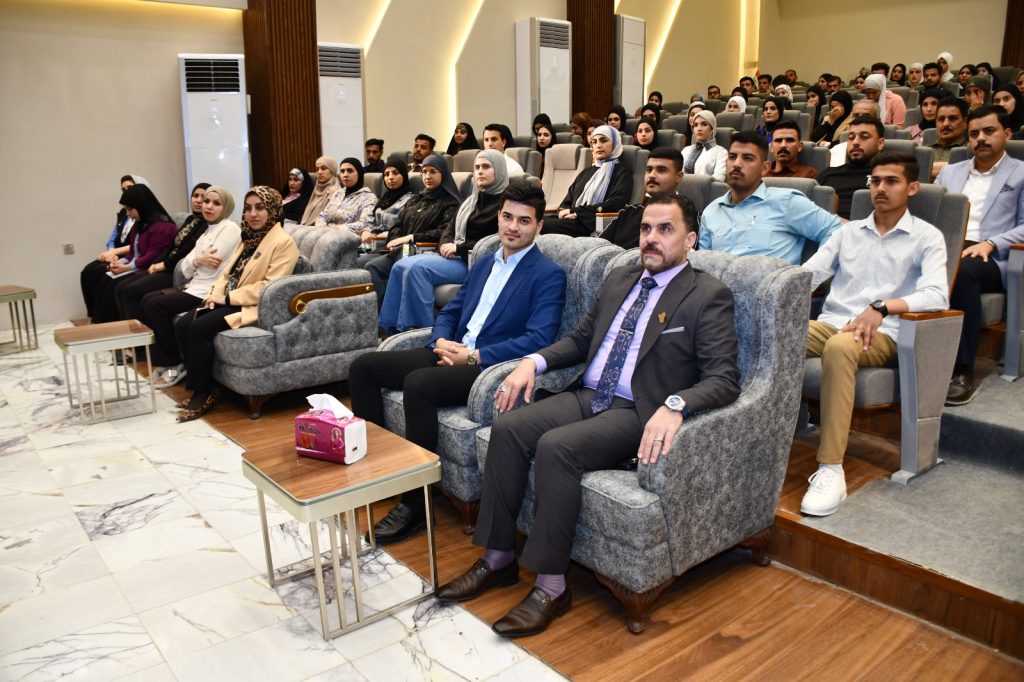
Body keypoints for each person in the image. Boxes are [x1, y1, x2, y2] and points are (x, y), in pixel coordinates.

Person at [436, 192, 741, 638]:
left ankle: (552, 587)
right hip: (589, 393)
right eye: (646, 228)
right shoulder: (621, 277)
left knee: (557, 447)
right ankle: (498, 558)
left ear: (690, 240)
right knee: (509, 427)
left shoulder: (707, 294)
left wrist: (676, 405)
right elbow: (581, 340)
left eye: (665, 229)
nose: (651, 238)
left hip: (638, 408)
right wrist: (533, 362)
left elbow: (725, 378)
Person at [351, 179, 567, 544]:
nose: (513, 227)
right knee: (364, 367)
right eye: (508, 217)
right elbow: (451, 310)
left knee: (419, 384)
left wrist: (474, 356)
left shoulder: (548, 275)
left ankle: (416, 506)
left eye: (524, 220)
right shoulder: (484, 263)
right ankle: (378, 472)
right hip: (451, 349)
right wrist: (440, 340)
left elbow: (538, 339)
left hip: (485, 366)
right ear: (499, 217)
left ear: (539, 226)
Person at [800, 151, 949, 516]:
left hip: (885, 334)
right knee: (774, 331)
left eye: (891, 181)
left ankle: (831, 468)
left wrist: (882, 307)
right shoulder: (847, 233)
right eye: (876, 181)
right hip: (833, 322)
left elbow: (937, 296)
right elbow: (808, 275)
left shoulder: (927, 237)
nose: (880, 188)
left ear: (912, 188)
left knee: (840, 347)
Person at [173, 186, 299, 422]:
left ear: (272, 210)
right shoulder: (248, 237)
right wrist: (214, 294)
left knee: (199, 328)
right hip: (228, 299)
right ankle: (203, 385)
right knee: (182, 325)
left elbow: (270, 287)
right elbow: (226, 274)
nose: (253, 214)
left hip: (251, 305)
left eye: (260, 208)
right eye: (248, 208)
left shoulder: (283, 242)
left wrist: (228, 298)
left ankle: (203, 393)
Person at [937, 106, 1024, 405]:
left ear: (1007, 133)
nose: (981, 139)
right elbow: (934, 215)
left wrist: (991, 243)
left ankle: (962, 370)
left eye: (989, 131)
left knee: (963, 270)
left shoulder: (1021, 172)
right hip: (947, 247)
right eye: (974, 134)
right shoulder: (950, 172)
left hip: (994, 256)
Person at [378, 149, 509, 334]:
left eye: (486, 167)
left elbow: (495, 242)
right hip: (455, 257)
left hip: (476, 262)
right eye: (477, 167)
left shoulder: (506, 205)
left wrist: (458, 247)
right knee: (400, 265)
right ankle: (390, 330)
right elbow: (449, 230)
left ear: (500, 169)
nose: (480, 171)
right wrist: (446, 245)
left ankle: (423, 332)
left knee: (417, 269)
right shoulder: (470, 201)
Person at [139, 186, 241, 388]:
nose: (208, 206)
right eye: (206, 201)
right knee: (146, 300)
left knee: (154, 306)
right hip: (193, 286)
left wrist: (195, 261)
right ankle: (166, 360)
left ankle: (172, 364)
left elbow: (212, 262)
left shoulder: (230, 229)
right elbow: (184, 268)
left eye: (216, 203)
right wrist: (198, 260)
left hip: (208, 291)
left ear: (226, 207)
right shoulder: (206, 231)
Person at [699, 131, 840, 264]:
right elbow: (703, 264)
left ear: (765, 168)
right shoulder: (711, 211)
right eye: (732, 157)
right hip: (718, 281)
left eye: (747, 158)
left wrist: (813, 273)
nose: (736, 164)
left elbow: (835, 230)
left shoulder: (787, 202)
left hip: (771, 281)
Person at [360, 155, 461, 305]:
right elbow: (397, 224)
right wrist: (396, 240)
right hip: (401, 249)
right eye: (424, 172)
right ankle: (377, 314)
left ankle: (390, 314)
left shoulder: (451, 202)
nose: (427, 176)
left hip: (421, 251)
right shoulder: (416, 199)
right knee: (365, 264)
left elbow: (444, 232)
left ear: (444, 174)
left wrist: (411, 237)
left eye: (433, 172)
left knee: (382, 266)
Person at [114, 182, 213, 324]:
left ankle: (141, 336)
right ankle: (129, 333)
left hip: (177, 271)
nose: (198, 200)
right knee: (121, 287)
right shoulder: (191, 219)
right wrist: (155, 264)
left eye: (203, 197)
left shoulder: (207, 225)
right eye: (195, 195)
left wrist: (163, 265)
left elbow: (186, 251)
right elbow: (172, 246)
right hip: (166, 267)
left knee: (131, 291)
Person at [88, 184, 179, 324]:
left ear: (141, 206)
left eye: (130, 209)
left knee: (122, 288)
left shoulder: (163, 226)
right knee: (105, 278)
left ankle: (133, 331)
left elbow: (153, 255)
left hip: (152, 268)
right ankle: (107, 325)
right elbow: (134, 252)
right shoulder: (140, 223)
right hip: (139, 265)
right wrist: (119, 263)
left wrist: (127, 267)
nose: (128, 213)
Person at [541, 125, 633, 238]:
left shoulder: (622, 173)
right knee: (535, 220)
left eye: (603, 140)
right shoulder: (586, 172)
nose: (598, 145)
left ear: (615, 144)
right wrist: (564, 212)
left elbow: (615, 204)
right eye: (594, 142)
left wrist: (576, 212)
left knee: (539, 226)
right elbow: (567, 200)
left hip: (591, 223)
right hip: (571, 220)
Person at [80, 174, 148, 320]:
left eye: (130, 187)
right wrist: (111, 251)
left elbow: (138, 244)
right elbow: (114, 236)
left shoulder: (145, 214)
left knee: (102, 274)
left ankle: (106, 319)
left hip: (129, 255)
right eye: (123, 189)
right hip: (118, 254)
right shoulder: (124, 213)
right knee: (88, 271)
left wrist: (116, 253)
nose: (127, 192)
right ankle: (93, 315)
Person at [599, 147, 684, 249]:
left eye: (661, 170)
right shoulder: (629, 212)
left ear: (679, 177)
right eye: (649, 170)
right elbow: (599, 246)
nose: (652, 175)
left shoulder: (685, 216)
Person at [819, 115, 886, 219]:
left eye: (864, 137)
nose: (855, 142)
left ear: (880, 143)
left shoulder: (887, 177)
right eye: (851, 137)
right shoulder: (828, 174)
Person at [314, 157, 376, 234]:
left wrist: (336, 229)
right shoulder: (338, 193)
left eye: (350, 171)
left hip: (348, 237)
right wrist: (323, 229)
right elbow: (323, 216)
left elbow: (366, 224)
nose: (345, 175)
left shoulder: (369, 198)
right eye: (342, 171)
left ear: (359, 173)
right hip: (326, 234)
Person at [359, 161, 414, 247]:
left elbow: (404, 229)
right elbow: (371, 221)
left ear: (404, 175)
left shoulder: (411, 200)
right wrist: (365, 231)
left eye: (395, 173)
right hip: (373, 242)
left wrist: (377, 237)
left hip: (394, 244)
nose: (390, 177)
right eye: (387, 174)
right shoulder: (383, 199)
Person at [929, 97, 969, 180]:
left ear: (965, 123)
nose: (945, 124)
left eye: (952, 119)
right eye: (941, 119)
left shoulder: (971, 152)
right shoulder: (924, 151)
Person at [681, 109, 727, 180]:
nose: (699, 129)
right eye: (695, 125)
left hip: (707, 187)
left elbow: (719, 179)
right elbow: (677, 175)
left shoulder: (721, 152)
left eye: (704, 124)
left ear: (712, 128)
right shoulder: (686, 150)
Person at [299, 156, 341, 225]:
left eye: (323, 168)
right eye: (317, 169)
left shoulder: (337, 192)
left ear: (332, 171)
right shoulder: (317, 188)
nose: (319, 172)